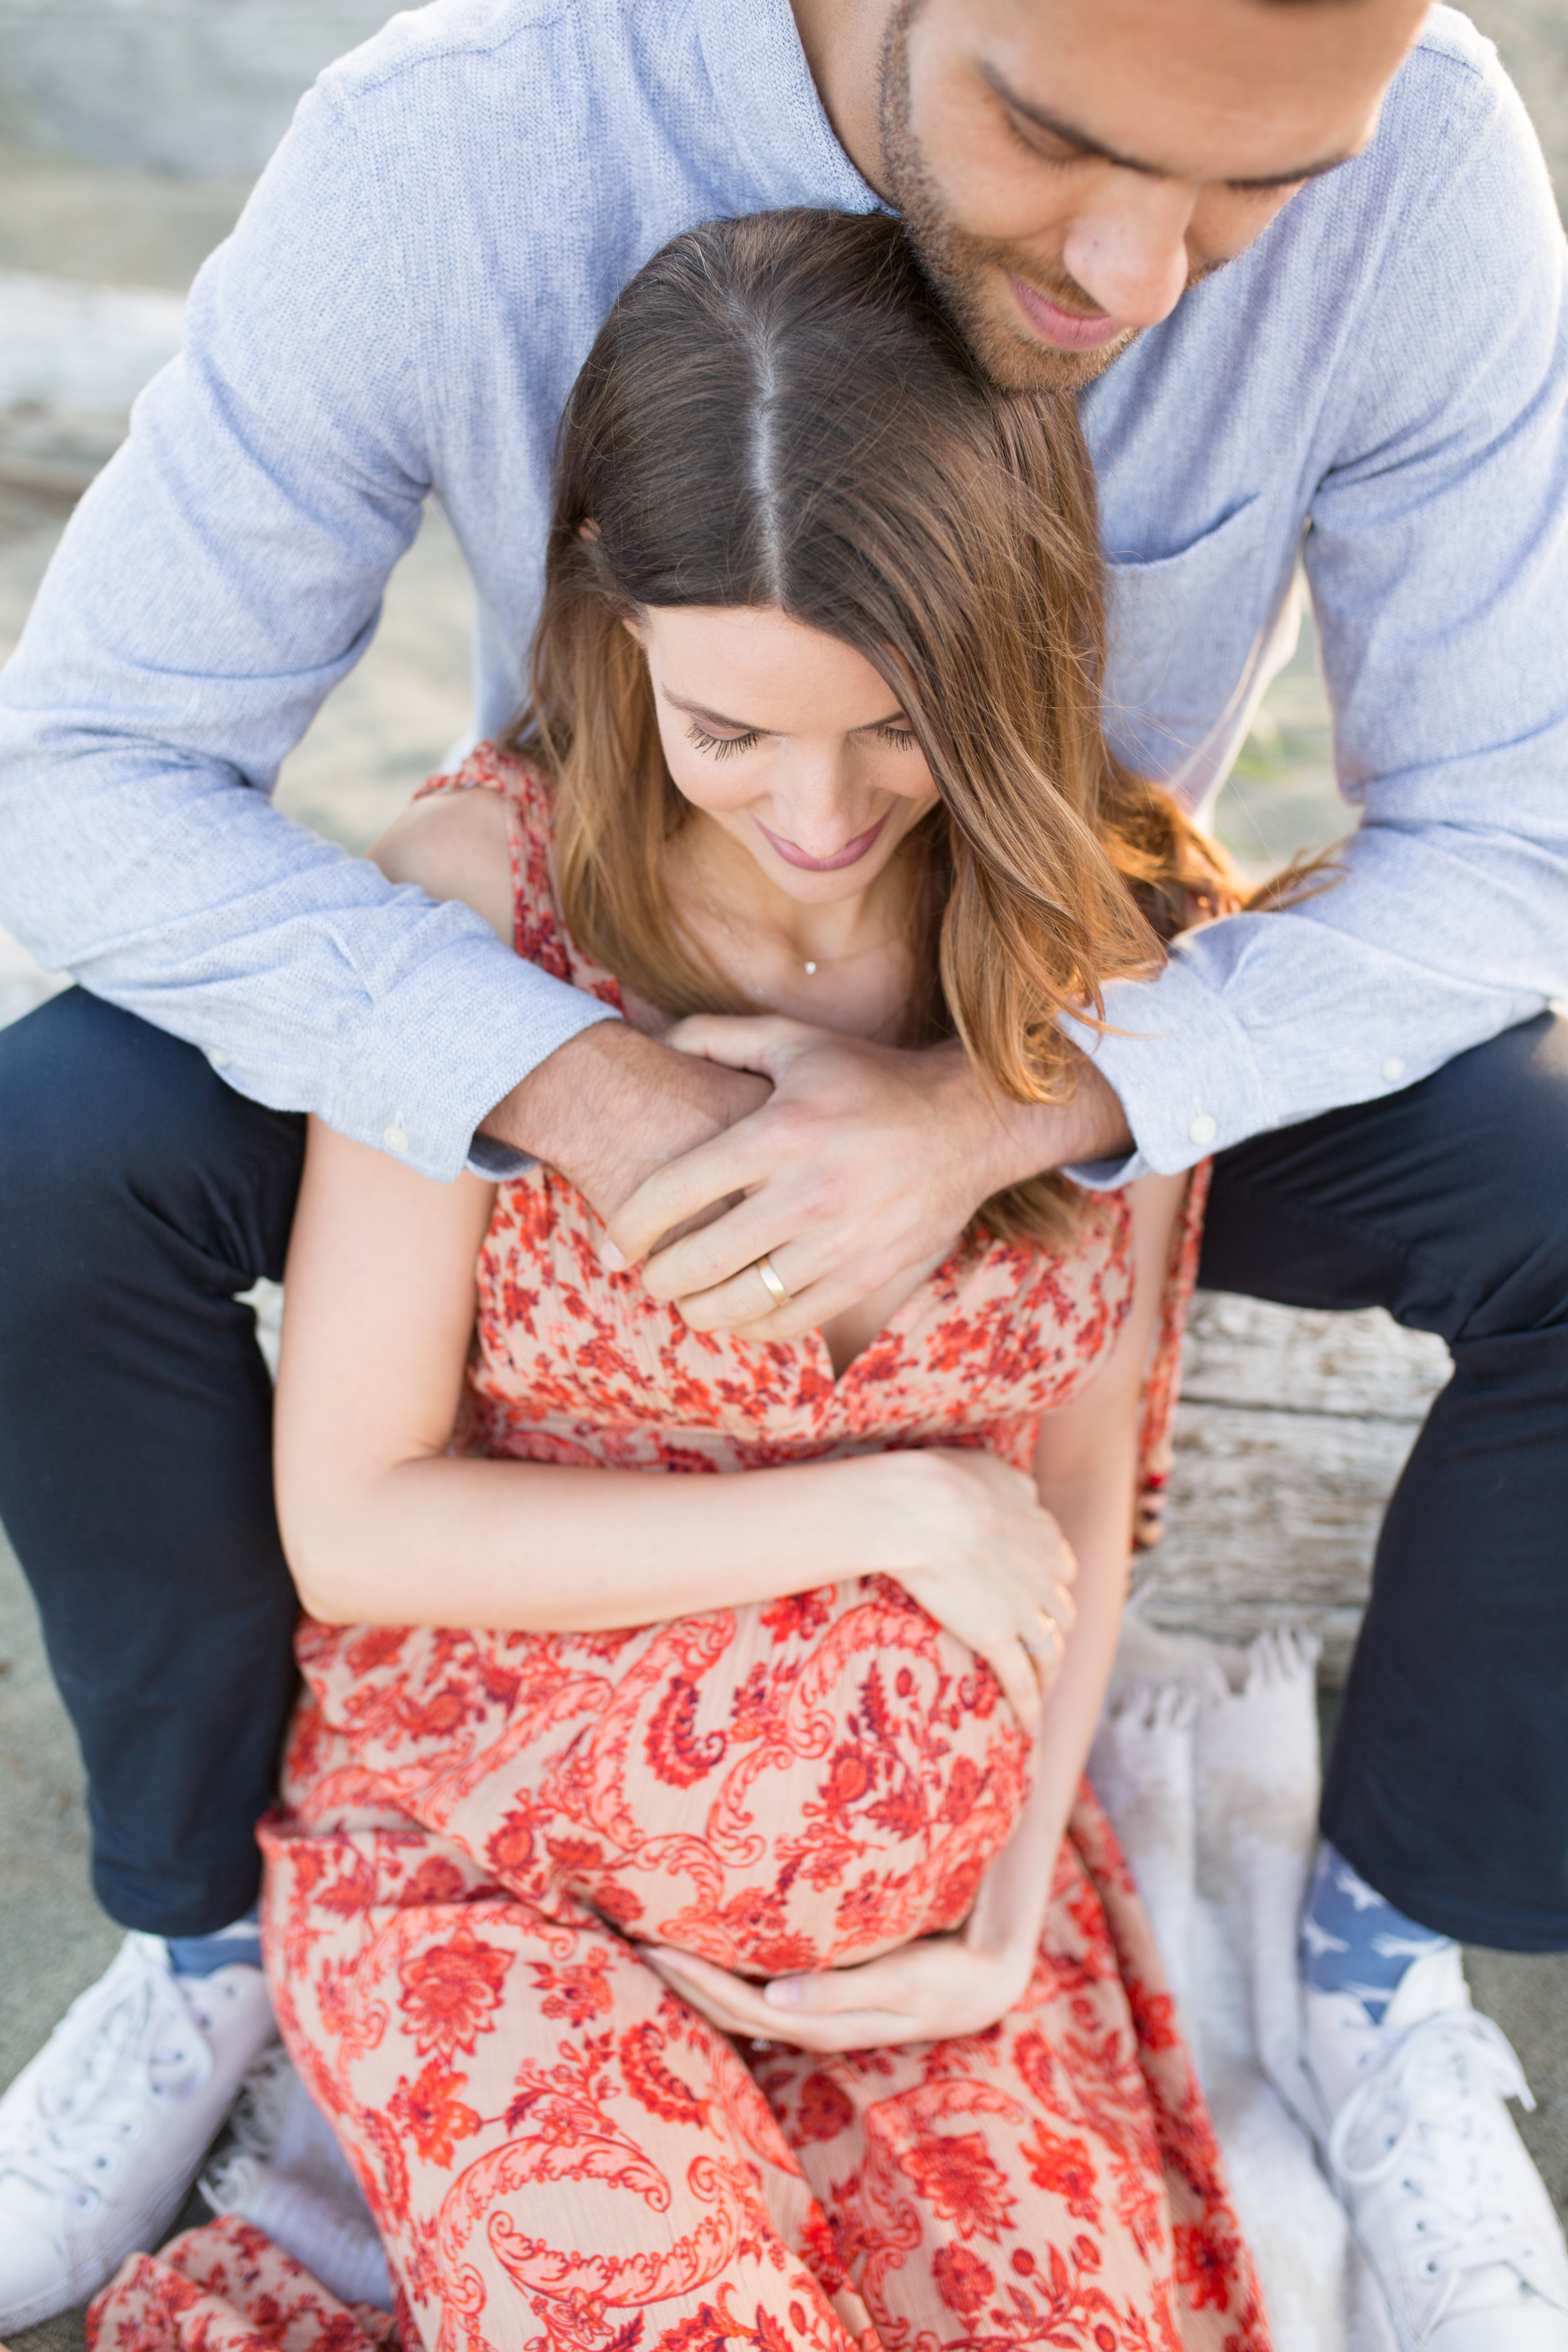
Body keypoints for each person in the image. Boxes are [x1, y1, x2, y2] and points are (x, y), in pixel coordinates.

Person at [0, 0, 1564, 2341]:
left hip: (1063, 965)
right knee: (52, 1149)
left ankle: (1373, 1965)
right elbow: (87, 766)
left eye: (1254, 198)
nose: (1141, 274)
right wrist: (576, 1085)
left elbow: (1512, 837)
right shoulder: (464, 140)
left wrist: (1013, 1107)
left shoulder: (1427, 163)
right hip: (590, 964)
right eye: (1059, 145)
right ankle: (215, 1922)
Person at [91, 203, 1269, 2352]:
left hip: (917, 1936)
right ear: (607, 623)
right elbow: (353, 1525)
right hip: (494, 1856)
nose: (817, 816)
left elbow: (1091, 1463)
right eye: (732, 731)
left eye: (895, 729)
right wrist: (891, 1501)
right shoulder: (482, 901)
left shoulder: (1112, 934)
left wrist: (1002, 1921)